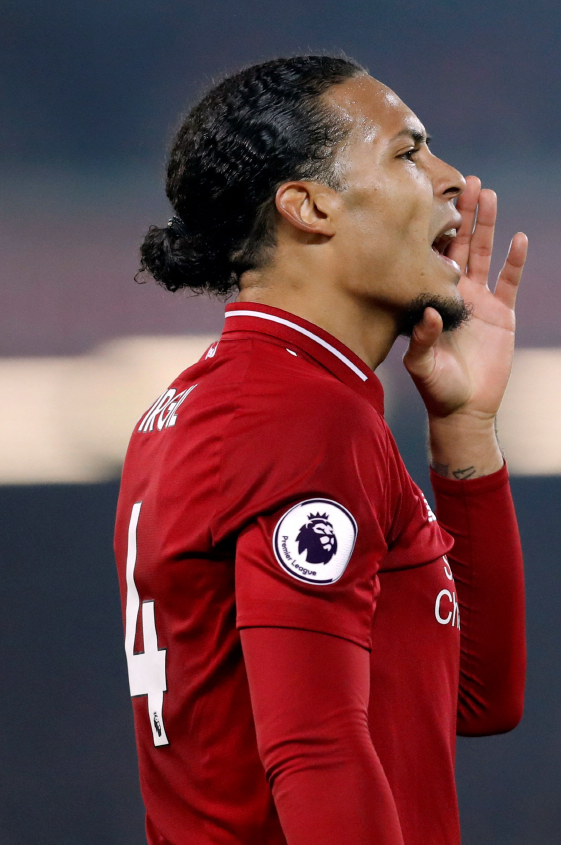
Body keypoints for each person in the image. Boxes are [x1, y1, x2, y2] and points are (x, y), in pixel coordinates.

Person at [114, 54, 527, 845]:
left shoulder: (207, 403)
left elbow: (477, 697)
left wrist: (465, 428)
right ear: (309, 206)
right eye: (408, 153)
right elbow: (317, 751)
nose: (452, 180)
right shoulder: (302, 418)